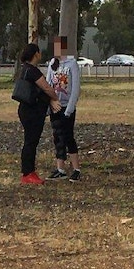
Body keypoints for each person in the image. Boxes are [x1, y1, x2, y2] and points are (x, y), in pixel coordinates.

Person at [16, 43, 62, 185]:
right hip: (32, 112)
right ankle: (27, 173)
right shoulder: (32, 71)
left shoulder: (25, 69)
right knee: (30, 142)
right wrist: (55, 98)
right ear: (36, 54)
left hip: (27, 110)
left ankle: (30, 171)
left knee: (31, 141)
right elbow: (46, 87)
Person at [45, 36, 82, 182]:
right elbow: (48, 85)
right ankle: (60, 168)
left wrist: (69, 109)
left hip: (67, 106)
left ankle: (76, 168)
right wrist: (51, 103)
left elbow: (75, 88)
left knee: (68, 136)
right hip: (55, 106)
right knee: (57, 137)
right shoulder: (52, 64)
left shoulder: (72, 64)